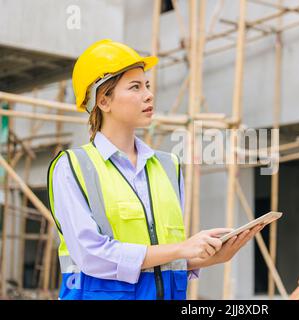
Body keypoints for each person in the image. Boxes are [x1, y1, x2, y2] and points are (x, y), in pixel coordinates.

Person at [46, 39, 264, 300]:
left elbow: (161, 264)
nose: (149, 94)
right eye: (135, 87)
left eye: (147, 85)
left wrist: (206, 257)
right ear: (103, 101)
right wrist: (182, 249)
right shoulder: (72, 167)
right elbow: (91, 256)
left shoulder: (169, 165)